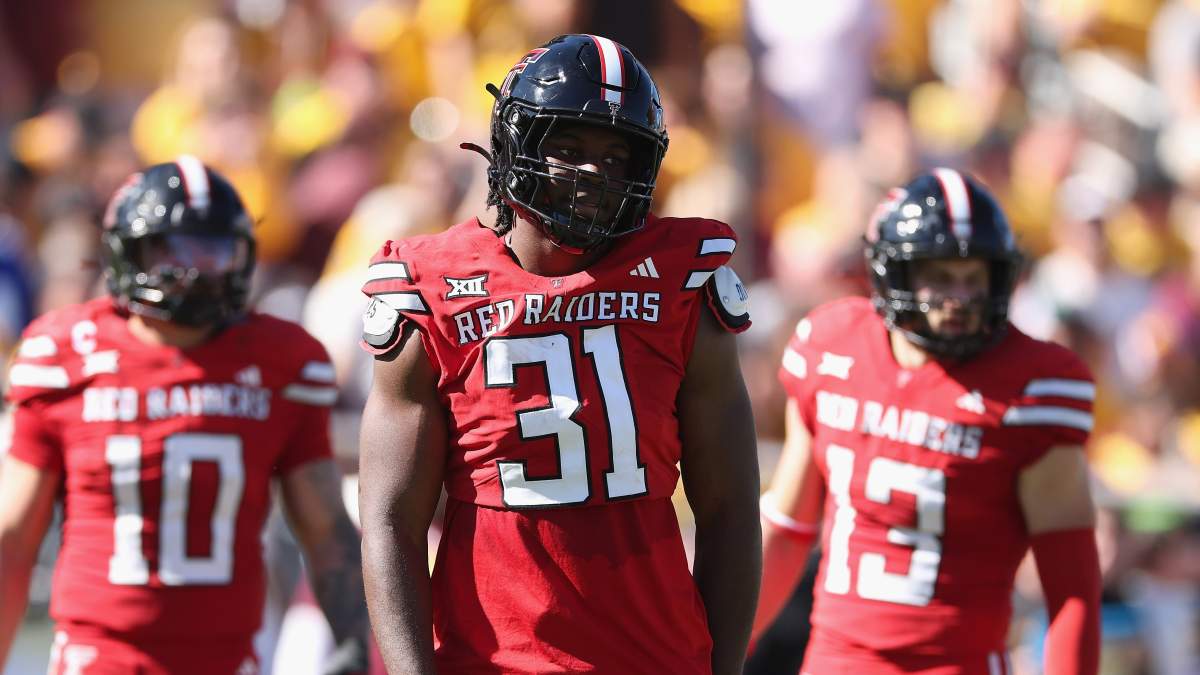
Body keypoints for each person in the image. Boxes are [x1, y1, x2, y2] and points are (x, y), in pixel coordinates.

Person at [357, 34, 761, 675]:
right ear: (514, 144)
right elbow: (389, 523)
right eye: (568, 149)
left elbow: (731, 512)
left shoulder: (680, 284)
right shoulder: (432, 288)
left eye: (616, 155)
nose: (593, 172)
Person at [0, 157, 369, 675]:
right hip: (100, 658)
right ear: (127, 251)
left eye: (213, 250)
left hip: (227, 659)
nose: (195, 270)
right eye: (171, 250)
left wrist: (353, 642)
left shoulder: (283, 361)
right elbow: (13, 539)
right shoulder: (65, 353)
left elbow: (326, 530)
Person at [754, 168, 1101, 675]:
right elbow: (788, 529)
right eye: (939, 276)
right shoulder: (832, 347)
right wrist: (716, 651)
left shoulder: (1032, 388)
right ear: (892, 272)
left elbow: (1070, 587)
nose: (959, 298)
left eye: (974, 278)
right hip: (835, 661)